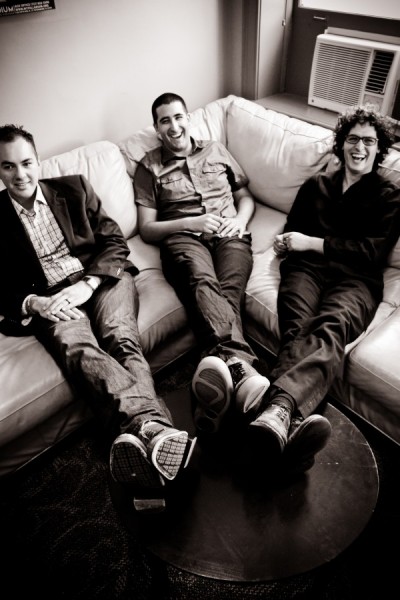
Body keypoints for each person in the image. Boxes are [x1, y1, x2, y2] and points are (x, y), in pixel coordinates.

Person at [0, 124, 195, 503]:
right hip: (51, 299)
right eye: (8, 166)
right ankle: (154, 431)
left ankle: (144, 436)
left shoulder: (74, 188)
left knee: (121, 340)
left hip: (101, 279)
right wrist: (33, 302)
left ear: (37, 161)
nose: (20, 174)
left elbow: (114, 241)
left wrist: (87, 284)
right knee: (81, 350)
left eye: (26, 163)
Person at [246, 104, 400, 472]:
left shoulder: (390, 195)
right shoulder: (317, 185)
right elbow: (293, 228)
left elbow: (373, 252)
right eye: (353, 139)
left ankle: (277, 408)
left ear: (379, 148)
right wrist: (285, 241)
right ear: (341, 143)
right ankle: (288, 426)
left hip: (357, 281)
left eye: (369, 141)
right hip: (306, 269)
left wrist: (312, 242)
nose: (359, 147)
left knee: (330, 328)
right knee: (297, 329)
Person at [134, 92, 270, 440]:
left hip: (229, 234)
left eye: (178, 117)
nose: (173, 126)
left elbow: (244, 196)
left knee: (229, 291)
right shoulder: (149, 166)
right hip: (183, 239)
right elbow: (147, 229)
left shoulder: (215, 150)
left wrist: (239, 220)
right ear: (157, 128)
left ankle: (222, 378)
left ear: (188, 118)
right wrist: (190, 223)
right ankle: (241, 368)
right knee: (202, 282)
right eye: (165, 120)